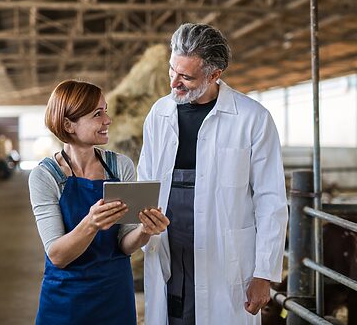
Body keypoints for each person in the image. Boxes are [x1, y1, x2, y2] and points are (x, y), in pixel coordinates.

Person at [137, 23, 288, 325]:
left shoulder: (252, 118)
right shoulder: (159, 113)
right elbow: (146, 180)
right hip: (170, 245)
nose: (174, 84)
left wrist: (263, 273)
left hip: (226, 257)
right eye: (172, 71)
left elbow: (271, 200)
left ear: (215, 75)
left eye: (186, 77)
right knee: (172, 313)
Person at [29, 80, 169, 325]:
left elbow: (124, 245)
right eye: (97, 114)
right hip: (66, 300)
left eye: (105, 110)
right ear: (67, 124)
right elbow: (58, 256)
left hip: (114, 296)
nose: (108, 120)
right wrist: (90, 224)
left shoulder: (120, 166)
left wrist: (145, 231)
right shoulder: (46, 176)